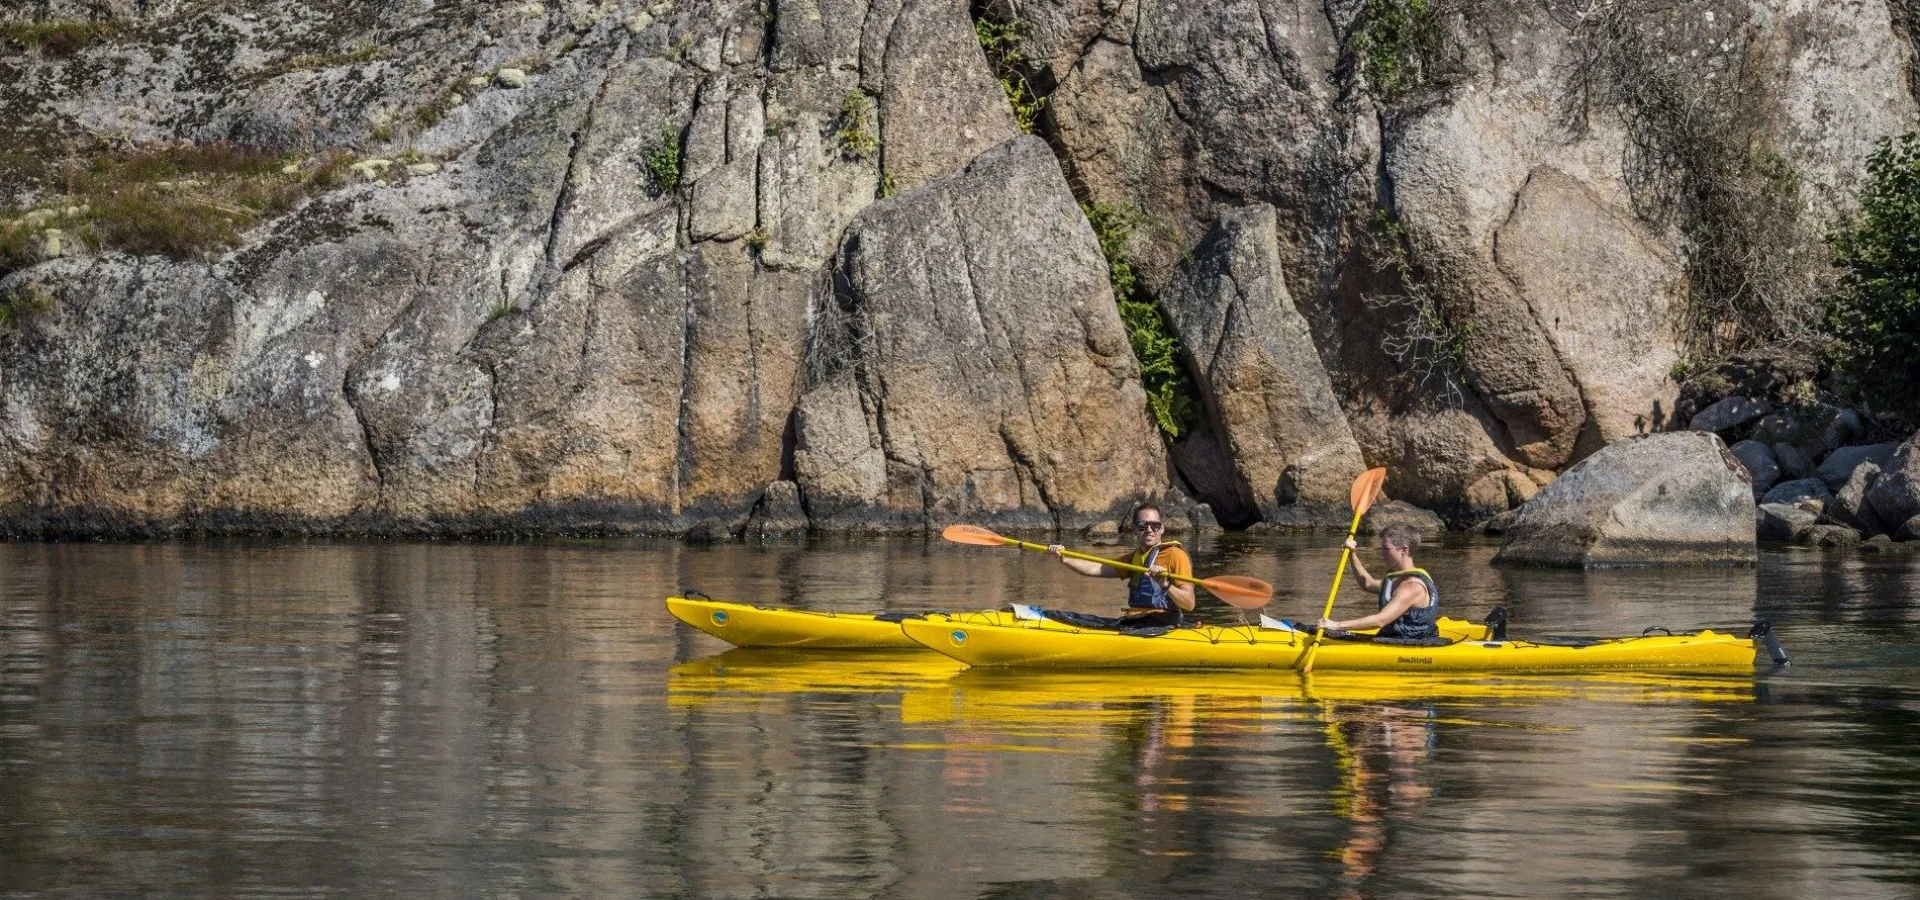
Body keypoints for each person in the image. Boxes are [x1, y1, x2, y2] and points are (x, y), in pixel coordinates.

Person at [1043, 504, 1195, 632]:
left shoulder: (1175, 555)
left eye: (1155, 525)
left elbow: (1189, 603)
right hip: (1138, 622)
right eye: (1143, 525)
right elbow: (1095, 568)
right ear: (1134, 529)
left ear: (1162, 529)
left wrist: (1165, 584)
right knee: (1073, 618)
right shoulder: (1135, 558)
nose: (1149, 530)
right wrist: (1064, 557)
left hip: (1162, 624)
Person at [1315, 523, 1439, 640]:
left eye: (1386, 549)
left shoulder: (1411, 587)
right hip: (1392, 638)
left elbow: (1380, 621)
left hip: (1410, 644)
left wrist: (1336, 625)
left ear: (1404, 551)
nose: (1382, 554)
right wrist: (1352, 555)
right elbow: (1367, 584)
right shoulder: (1397, 579)